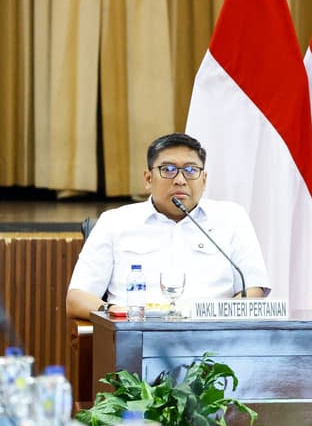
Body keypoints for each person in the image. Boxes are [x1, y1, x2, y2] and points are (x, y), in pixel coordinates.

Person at [66, 132, 271, 320]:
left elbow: (253, 289)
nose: (180, 180)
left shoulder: (231, 218)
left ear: (204, 179)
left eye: (191, 170)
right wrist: (113, 310)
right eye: (168, 170)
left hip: (214, 342)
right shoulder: (115, 222)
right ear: (148, 179)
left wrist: (219, 322)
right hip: (138, 339)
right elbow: (77, 298)